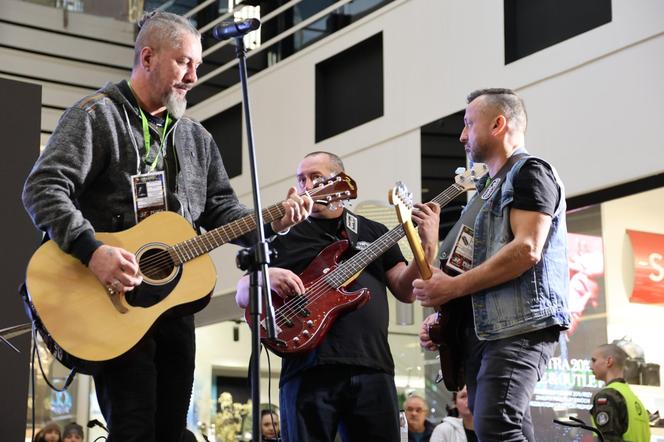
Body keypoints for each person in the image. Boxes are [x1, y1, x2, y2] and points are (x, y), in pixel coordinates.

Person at [22, 11, 312, 442]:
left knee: (172, 432)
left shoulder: (196, 138)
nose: (194, 76)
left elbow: (222, 210)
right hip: (112, 303)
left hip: (173, 309)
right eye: (184, 62)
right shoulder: (95, 116)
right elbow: (43, 187)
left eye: (198, 65)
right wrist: (93, 251)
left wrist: (273, 221)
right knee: (133, 429)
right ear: (148, 57)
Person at [236, 151, 441, 441]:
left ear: (340, 183)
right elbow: (242, 293)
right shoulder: (284, 236)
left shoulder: (373, 231)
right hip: (307, 370)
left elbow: (405, 291)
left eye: (315, 177)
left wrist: (427, 248)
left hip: (372, 366)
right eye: (301, 179)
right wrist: (265, 276)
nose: (306, 185)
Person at [416, 88, 570, 441]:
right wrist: (445, 316)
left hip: (517, 329)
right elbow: (463, 270)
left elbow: (527, 249)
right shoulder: (486, 188)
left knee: (497, 424)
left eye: (469, 124)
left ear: (498, 124)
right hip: (486, 332)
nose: (462, 135)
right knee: (505, 426)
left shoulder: (530, 172)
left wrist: (452, 287)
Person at [589, 343, 651, 441]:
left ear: (609, 361)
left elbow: (608, 439)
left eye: (594, 360)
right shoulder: (634, 399)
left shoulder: (607, 396)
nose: (590, 366)